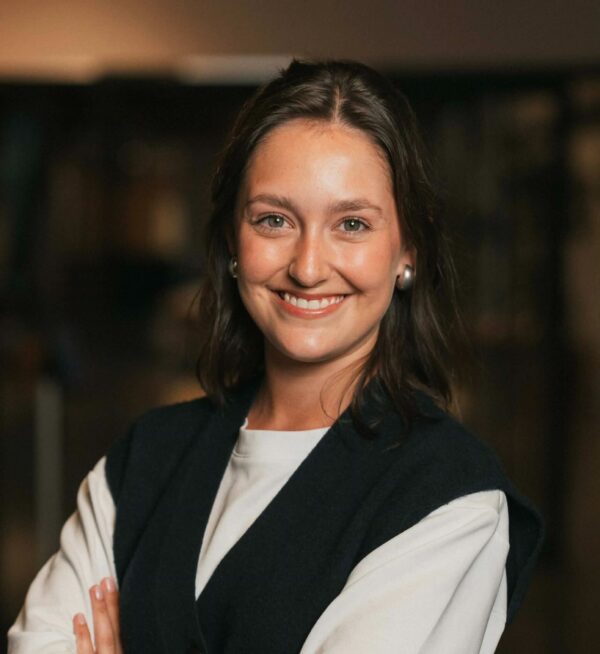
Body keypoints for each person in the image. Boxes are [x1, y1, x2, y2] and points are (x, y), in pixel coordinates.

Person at [8, 59, 544, 654]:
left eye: (352, 224)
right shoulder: (145, 458)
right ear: (232, 243)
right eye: (274, 220)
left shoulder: (449, 497)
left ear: (407, 252)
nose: (308, 267)